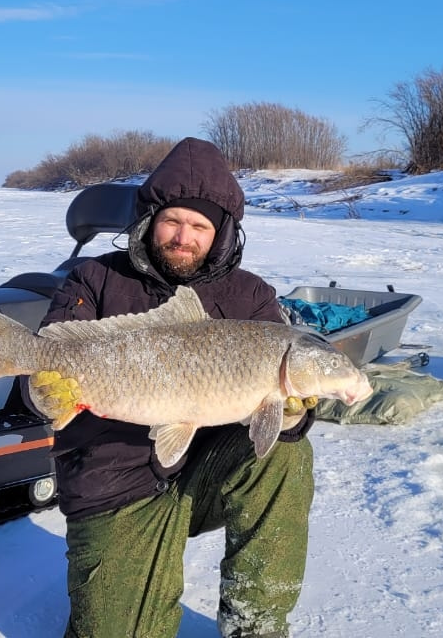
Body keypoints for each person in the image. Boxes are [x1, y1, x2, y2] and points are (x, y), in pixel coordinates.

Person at [32, 137, 317, 638]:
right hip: (113, 485)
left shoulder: (250, 295)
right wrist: (40, 391)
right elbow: (40, 368)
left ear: (222, 233)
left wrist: (293, 414)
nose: (183, 237)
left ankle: (257, 627)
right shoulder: (94, 279)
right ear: (148, 221)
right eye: (172, 220)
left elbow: (286, 408)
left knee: (285, 454)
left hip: (203, 469)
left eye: (200, 226)